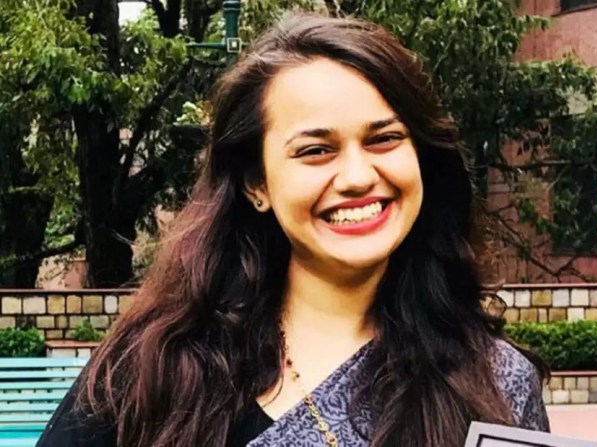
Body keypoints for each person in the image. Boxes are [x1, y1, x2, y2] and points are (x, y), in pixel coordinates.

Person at [36, 12, 550, 447]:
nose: (357, 177)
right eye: (315, 150)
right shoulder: (154, 366)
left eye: (384, 139)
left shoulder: (495, 383)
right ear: (256, 183)